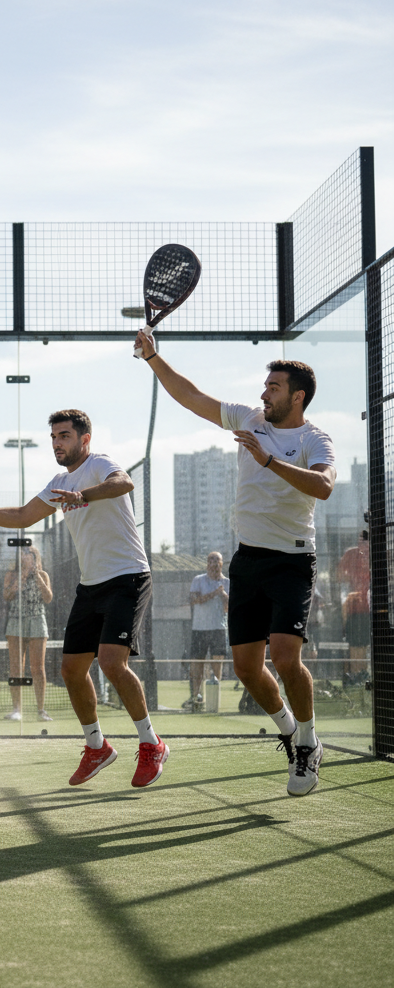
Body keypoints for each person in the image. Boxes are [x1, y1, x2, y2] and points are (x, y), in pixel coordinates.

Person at [137, 330, 335, 796]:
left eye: (274, 387)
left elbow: (323, 486)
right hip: (247, 561)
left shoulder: (314, 438)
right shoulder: (249, 418)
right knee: (246, 668)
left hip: (293, 561)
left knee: (286, 658)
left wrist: (268, 462)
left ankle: (307, 742)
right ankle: (289, 730)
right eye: (265, 385)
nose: (264, 392)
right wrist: (153, 357)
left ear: (298, 396)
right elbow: (192, 397)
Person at [0, 409, 167, 788]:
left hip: (129, 577)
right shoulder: (57, 482)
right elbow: (23, 515)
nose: (57, 442)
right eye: (54, 436)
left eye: (65, 436)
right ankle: (97, 747)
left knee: (111, 662)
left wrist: (82, 495)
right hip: (92, 585)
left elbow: (123, 483)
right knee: (70, 670)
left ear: (84, 439)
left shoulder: (101, 464)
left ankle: (152, 744)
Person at [3, 544, 54, 722]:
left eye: (30, 553)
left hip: (37, 621)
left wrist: (38, 578)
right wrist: (21, 578)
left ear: (35, 556)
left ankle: (41, 710)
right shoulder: (12, 574)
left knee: (38, 668)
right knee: (16, 667)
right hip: (16, 622)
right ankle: (17, 709)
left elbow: (48, 598)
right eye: (24, 553)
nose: (27, 556)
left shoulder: (44, 575)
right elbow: (7, 596)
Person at [187, 552, 229, 708]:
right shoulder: (199, 580)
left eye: (217, 561)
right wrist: (214, 593)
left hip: (218, 628)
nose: (214, 564)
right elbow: (195, 600)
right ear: (207, 564)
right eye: (211, 560)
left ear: (221, 564)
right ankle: (196, 697)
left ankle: (213, 699)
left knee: (217, 663)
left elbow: (228, 608)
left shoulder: (227, 583)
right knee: (197, 663)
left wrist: (223, 595)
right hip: (200, 628)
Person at [337, 529, 370, 683]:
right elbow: (338, 577)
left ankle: (361, 673)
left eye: (365, 541)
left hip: (369, 609)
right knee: (354, 644)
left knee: (362, 644)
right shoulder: (351, 554)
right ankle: (355, 674)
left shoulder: (375, 555)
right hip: (352, 608)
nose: (362, 545)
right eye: (360, 541)